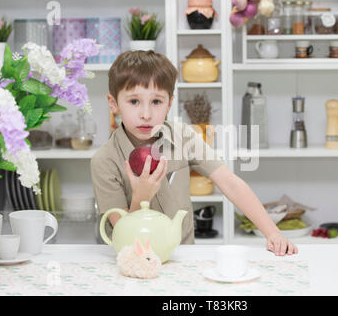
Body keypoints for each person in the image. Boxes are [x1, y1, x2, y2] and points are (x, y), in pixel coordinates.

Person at [91, 50, 298, 256]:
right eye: (134, 101)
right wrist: (141, 197)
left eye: (156, 102)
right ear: (114, 104)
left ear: (169, 104)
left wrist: (273, 233)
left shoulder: (182, 136)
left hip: (182, 257)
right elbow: (122, 234)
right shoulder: (104, 160)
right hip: (132, 260)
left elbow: (230, 182)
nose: (146, 114)